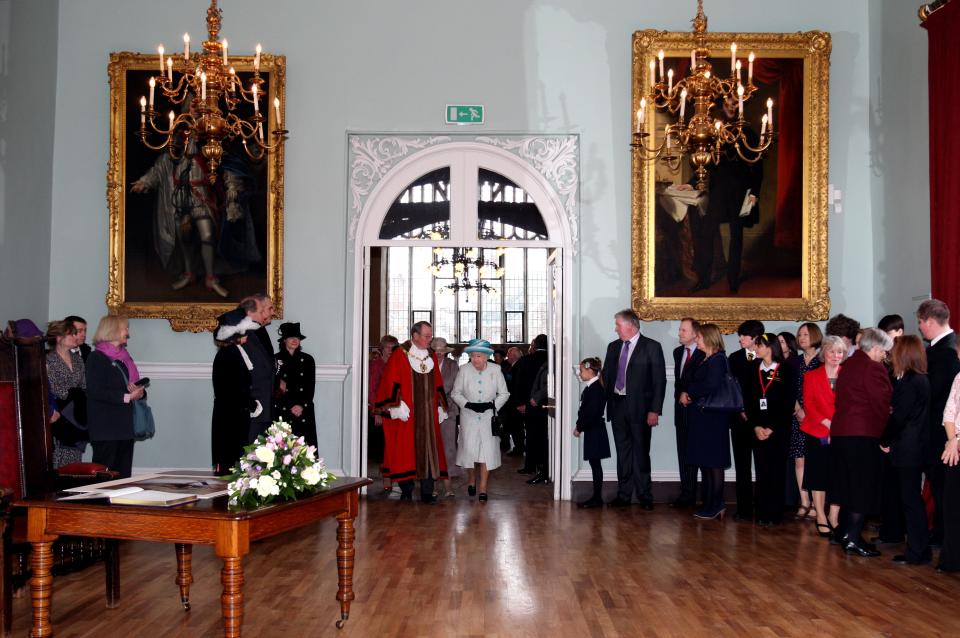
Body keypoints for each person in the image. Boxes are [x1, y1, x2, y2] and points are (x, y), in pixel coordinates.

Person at [681, 95, 762, 293]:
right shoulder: (714, 132)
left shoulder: (749, 133)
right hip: (718, 193)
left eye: (736, 104)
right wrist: (692, 184)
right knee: (706, 233)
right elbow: (705, 163)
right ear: (723, 106)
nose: (732, 107)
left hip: (742, 192)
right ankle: (703, 278)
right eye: (728, 104)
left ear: (741, 106)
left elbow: (758, 165)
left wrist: (754, 194)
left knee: (737, 235)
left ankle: (733, 280)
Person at [830, 328, 894, 556]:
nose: (884, 356)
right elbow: (881, 403)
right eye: (884, 352)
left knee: (848, 486)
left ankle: (846, 533)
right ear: (875, 348)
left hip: (841, 433)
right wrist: (888, 430)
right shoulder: (873, 367)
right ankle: (854, 538)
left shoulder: (849, 365)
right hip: (863, 433)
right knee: (863, 487)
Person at [374, 321, 449, 503]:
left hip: (428, 415)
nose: (429, 339)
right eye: (426, 336)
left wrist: (440, 406)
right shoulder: (400, 354)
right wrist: (396, 405)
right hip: (408, 414)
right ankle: (406, 490)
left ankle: (427, 492)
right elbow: (390, 380)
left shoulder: (430, 355)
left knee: (430, 452)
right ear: (415, 336)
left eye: (430, 335)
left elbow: (438, 382)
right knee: (405, 452)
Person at [602, 309, 667, 509]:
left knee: (641, 453)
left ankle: (645, 496)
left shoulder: (652, 347)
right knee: (623, 454)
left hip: (641, 409)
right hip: (618, 406)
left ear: (631, 325)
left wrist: (654, 410)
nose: (615, 329)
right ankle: (623, 495)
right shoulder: (613, 347)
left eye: (618, 325)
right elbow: (607, 376)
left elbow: (659, 381)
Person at [881, 335, 931, 566]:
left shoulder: (911, 382)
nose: (891, 355)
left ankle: (917, 552)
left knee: (910, 501)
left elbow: (899, 417)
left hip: (908, 448)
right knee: (912, 500)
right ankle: (920, 549)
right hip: (914, 446)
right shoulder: (918, 379)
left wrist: (885, 439)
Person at [917, 298, 960, 549]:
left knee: (945, 489)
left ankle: (946, 537)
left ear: (931, 322)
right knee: (940, 487)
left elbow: (938, 396)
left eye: (921, 323)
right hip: (941, 431)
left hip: (944, 434)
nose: (921, 328)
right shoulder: (944, 348)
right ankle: (943, 533)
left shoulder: (945, 352)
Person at [743, 333, 799, 527]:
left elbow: (788, 402)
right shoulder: (752, 369)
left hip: (779, 430)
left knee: (776, 471)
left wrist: (772, 427)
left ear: (770, 347)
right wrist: (756, 426)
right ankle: (762, 511)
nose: (755, 349)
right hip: (758, 429)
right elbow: (748, 401)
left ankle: (775, 512)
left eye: (759, 345)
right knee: (762, 470)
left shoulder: (787, 370)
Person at [678, 323, 731, 520]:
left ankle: (717, 503)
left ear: (708, 338)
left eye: (699, 337)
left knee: (714, 463)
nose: (697, 340)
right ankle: (710, 502)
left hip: (713, 419)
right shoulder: (707, 359)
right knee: (706, 463)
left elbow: (711, 384)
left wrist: (690, 393)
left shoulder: (717, 359)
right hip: (703, 417)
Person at [85, 315, 144, 478]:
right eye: (125, 328)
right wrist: (126, 397)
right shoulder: (95, 358)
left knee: (123, 477)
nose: (128, 332)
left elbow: (133, 384)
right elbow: (95, 391)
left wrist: (139, 392)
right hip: (105, 428)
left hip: (125, 427)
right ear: (114, 330)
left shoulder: (124, 358)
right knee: (105, 476)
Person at [451, 339, 509, 502]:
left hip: (488, 417)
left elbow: (504, 394)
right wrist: (467, 404)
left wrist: (492, 405)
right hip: (469, 416)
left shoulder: (496, 370)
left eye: (478, 356)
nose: (475, 360)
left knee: (486, 453)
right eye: (472, 356)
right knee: (469, 452)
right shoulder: (464, 370)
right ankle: (471, 479)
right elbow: (456, 393)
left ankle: (483, 488)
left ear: (485, 356)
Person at [800, 335, 844, 538]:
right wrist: (828, 423)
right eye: (832, 351)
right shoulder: (812, 375)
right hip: (817, 431)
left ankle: (834, 517)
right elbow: (809, 405)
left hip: (842, 433)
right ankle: (820, 516)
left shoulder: (848, 375)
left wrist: (839, 426)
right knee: (818, 476)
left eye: (840, 352)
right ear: (824, 353)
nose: (836, 355)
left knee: (838, 476)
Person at [211, 308, 262, 475]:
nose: (247, 335)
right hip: (230, 416)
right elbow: (234, 388)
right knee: (229, 457)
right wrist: (251, 404)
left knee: (234, 455)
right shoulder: (229, 355)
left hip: (233, 413)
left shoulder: (231, 353)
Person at [728, 319, 764, 520]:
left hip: (760, 420)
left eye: (744, 336)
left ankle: (761, 507)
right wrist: (741, 409)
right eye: (740, 335)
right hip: (740, 420)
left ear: (756, 338)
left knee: (761, 465)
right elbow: (732, 387)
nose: (740, 339)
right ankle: (743, 509)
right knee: (742, 467)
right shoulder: (734, 358)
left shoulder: (766, 358)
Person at [44, 320, 88, 468]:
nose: (76, 337)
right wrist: (73, 394)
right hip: (59, 415)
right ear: (58, 338)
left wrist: (76, 395)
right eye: (71, 334)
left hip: (76, 414)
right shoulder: (48, 359)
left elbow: (83, 385)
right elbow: (52, 386)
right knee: (58, 462)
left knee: (74, 463)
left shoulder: (78, 360)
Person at [672, 317, 705, 507]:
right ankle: (687, 494)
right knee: (683, 453)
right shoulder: (678, 352)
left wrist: (691, 396)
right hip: (681, 411)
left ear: (695, 334)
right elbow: (679, 381)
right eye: (679, 330)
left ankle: (706, 495)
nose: (679, 333)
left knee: (699, 453)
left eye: (683, 330)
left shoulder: (704, 353)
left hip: (698, 411)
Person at [779, 330, 811, 517]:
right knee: (799, 460)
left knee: (815, 460)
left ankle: (816, 502)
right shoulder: (795, 363)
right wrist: (798, 409)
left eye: (805, 334)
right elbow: (789, 388)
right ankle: (804, 501)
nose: (802, 338)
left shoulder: (819, 361)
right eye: (800, 335)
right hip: (796, 414)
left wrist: (810, 411)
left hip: (816, 415)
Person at [274, 322, 317, 449]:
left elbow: (310, 386)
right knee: (283, 449)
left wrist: (301, 405)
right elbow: (276, 387)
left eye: (297, 338)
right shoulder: (275, 360)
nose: (295, 340)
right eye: (291, 337)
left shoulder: (308, 360)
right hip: (283, 408)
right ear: (284, 340)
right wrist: (290, 405)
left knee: (304, 449)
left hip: (303, 408)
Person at [574, 357, 610, 508]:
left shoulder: (595, 389)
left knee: (595, 464)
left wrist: (579, 426)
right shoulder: (591, 387)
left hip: (595, 429)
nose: (579, 373)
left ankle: (597, 498)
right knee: (595, 463)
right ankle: (596, 497)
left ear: (590, 370)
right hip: (593, 429)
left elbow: (590, 412)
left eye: (581, 370)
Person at [239, 294, 275, 441]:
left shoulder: (258, 333)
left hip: (264, 409)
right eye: (269, 308)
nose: (272, 312)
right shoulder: (243, 336)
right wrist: (253, 405)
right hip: (254, 410)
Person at [512, 335, 549, 476]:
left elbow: (518, 383)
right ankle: (545, 467)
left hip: (530, 404)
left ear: (534, 344)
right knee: (546, 437)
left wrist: (520, 403)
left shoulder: (526, 360)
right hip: (549, 404)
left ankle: (530, 466)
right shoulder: (553, 360)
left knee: (532, 435)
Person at [938, 339, 960, 572]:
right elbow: (949, 413)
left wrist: (957, 440)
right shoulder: (959, 378)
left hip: (957, 444)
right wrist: (953, 441)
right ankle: (952, 558)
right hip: (954, 448)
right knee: (952, 506)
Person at [369, 334, 400, 492]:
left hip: (396, 413)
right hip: (382, 413)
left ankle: (396, 477)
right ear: (382, 349)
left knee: (395, 447)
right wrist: (377, 413)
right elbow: (372, 391)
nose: (390, 350)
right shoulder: (375, 365)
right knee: (384, 448)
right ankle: (386, 479)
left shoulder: (397, 364)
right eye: (387, 347)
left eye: (393, 347)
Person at [433, 336, 462, 496]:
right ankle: (434, 484)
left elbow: (456, 389)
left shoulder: (452, 365)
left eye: (442, 352)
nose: (439, 355)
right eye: (436, 351)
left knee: (448, 447)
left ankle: (448, 484)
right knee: (434, 447)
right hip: (429, 411)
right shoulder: (426, 365)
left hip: (448, 411)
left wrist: (444, 406)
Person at [503, 346, 525, 456]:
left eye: (509, 354)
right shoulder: (515, 366)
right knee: (515, 427)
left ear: (515, 356)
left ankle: (519, 448)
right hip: (514, 402)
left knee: (517, 428)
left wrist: (519, 403)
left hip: (516, 403)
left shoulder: (519, 366)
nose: (507, 356)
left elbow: (517, 386)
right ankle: (518, 447)